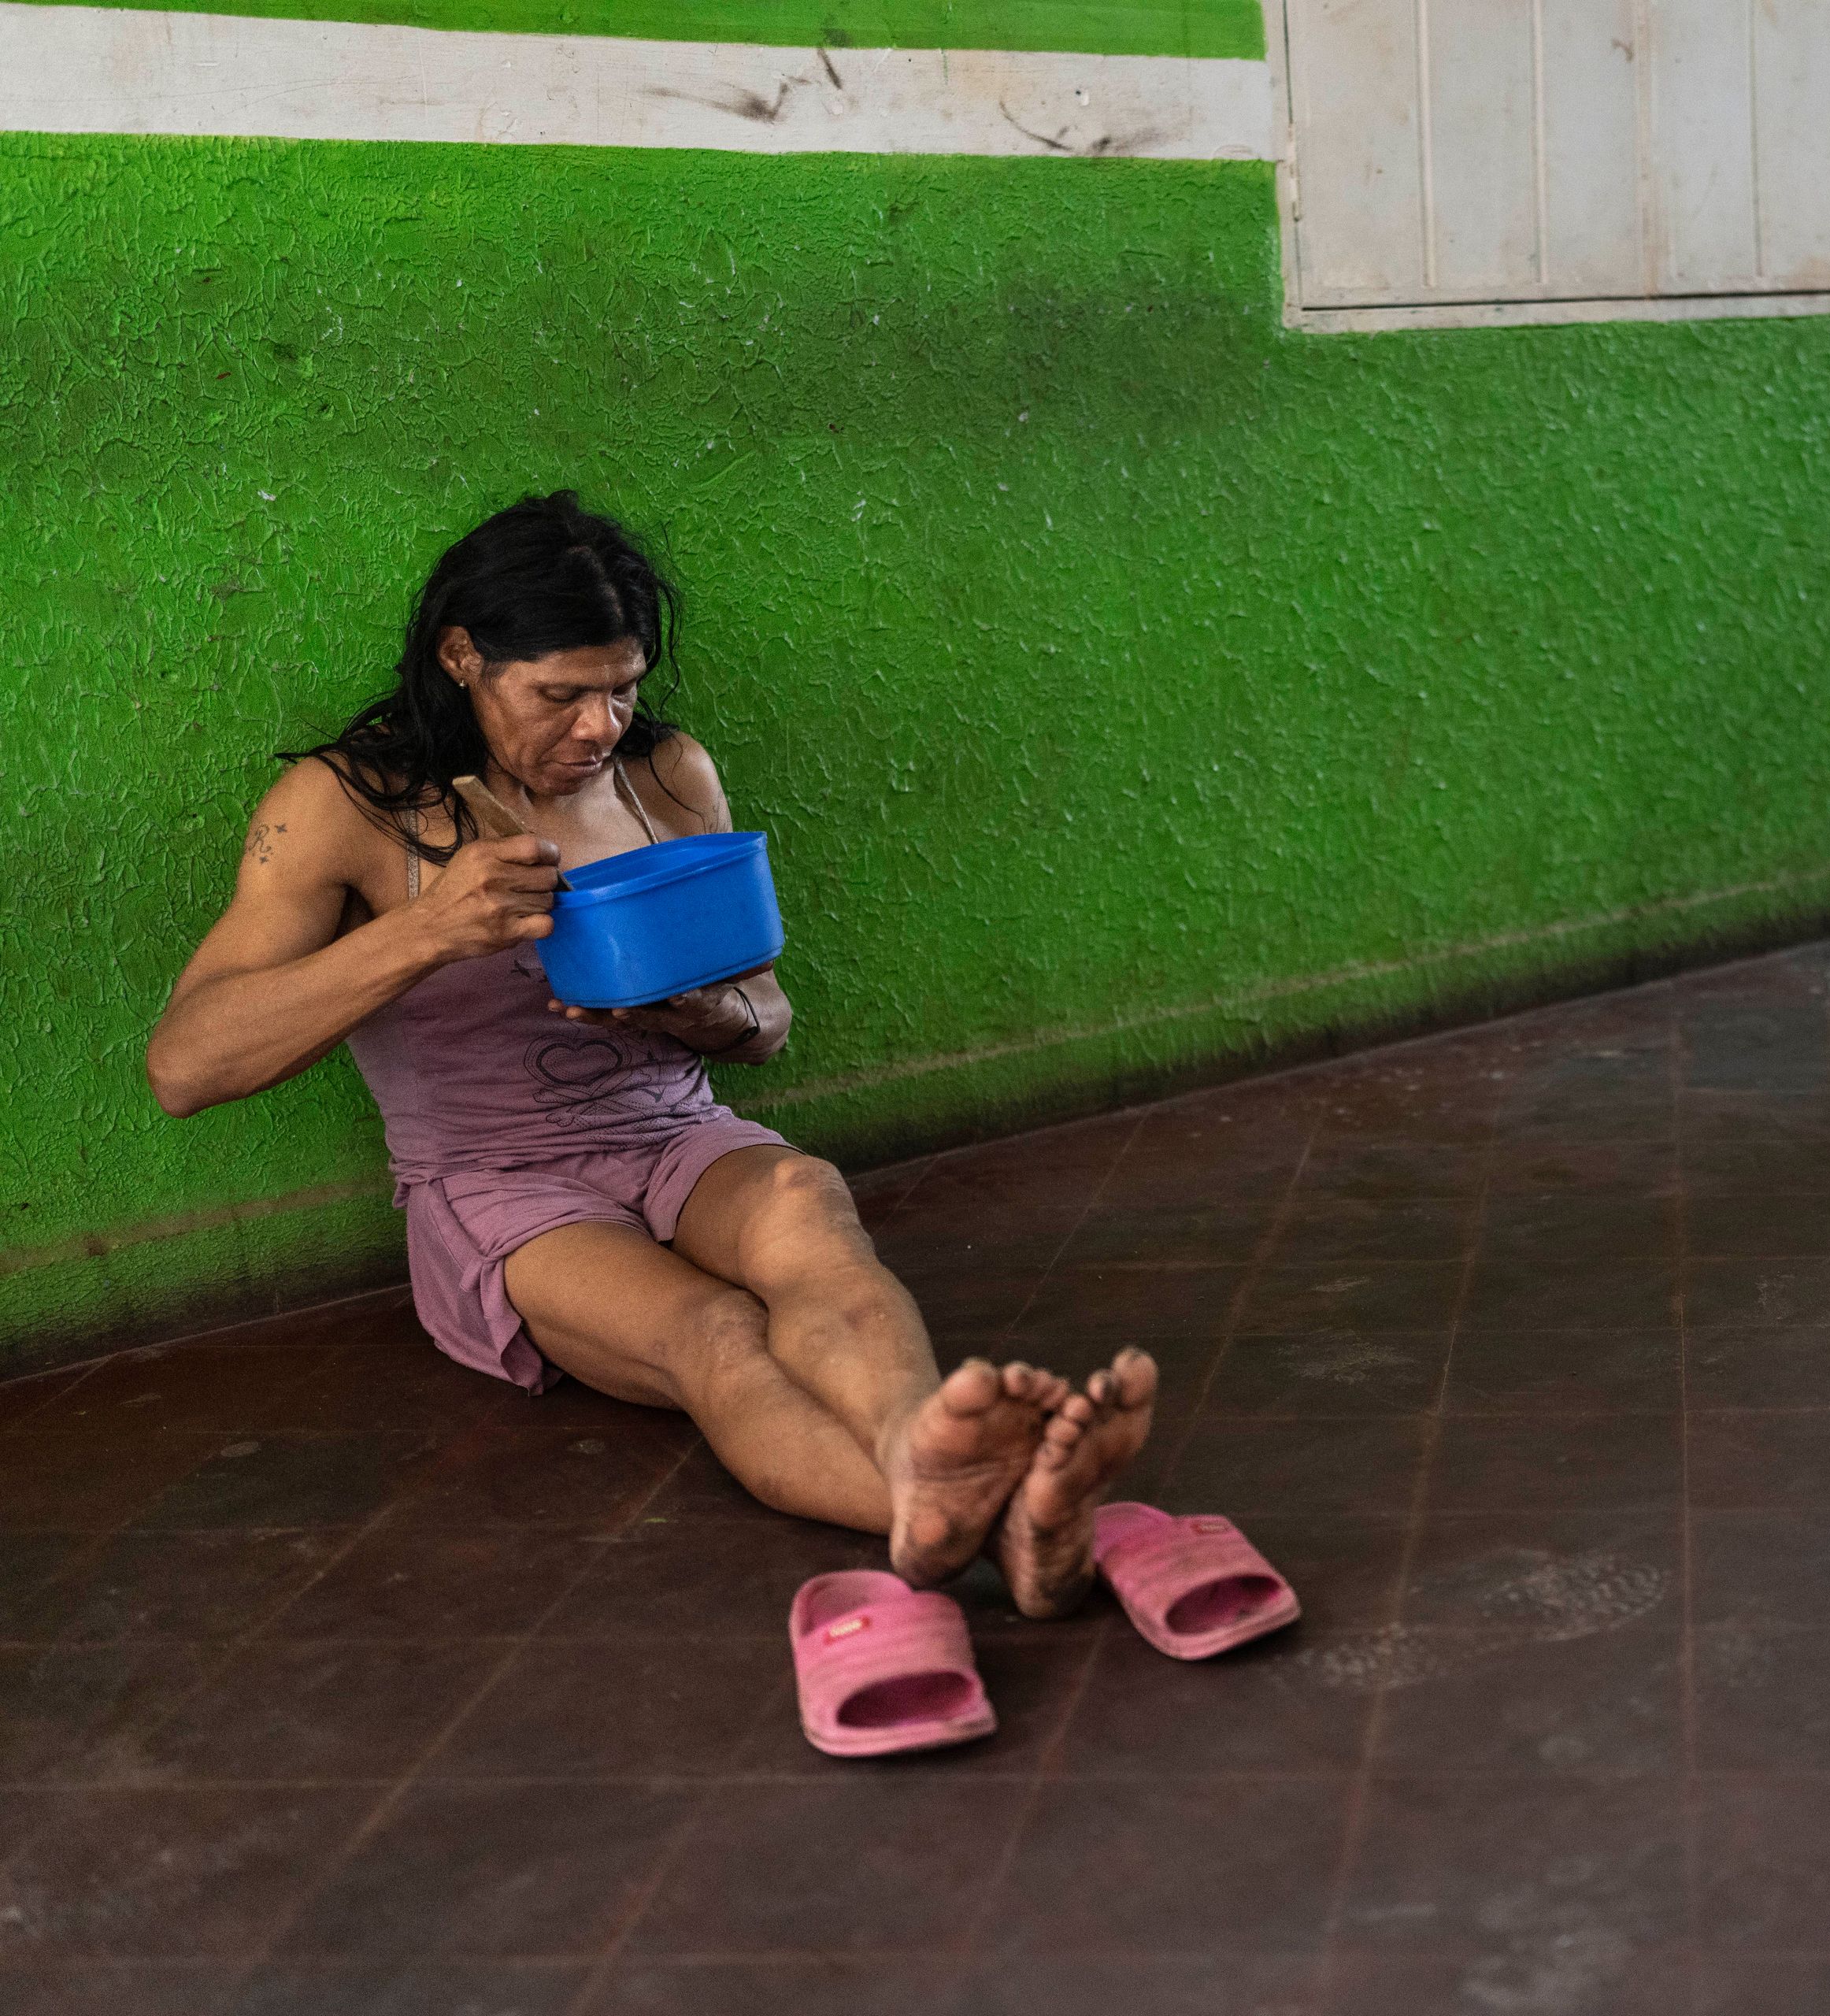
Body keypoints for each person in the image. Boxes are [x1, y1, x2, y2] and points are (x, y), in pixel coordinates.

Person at [143, 493, 1150, 1609]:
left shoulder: (667, 778)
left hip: (675, 1132)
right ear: (464, 656)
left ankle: (935, 1464)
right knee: (714, 1333)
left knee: (808, 1207)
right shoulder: (348, 807)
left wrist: (698, 1019)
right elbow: (187, 1067)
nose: (598, 728)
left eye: (621, 688)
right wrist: (425, 932)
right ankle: (1000, 1517)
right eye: (560, 694)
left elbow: (766, 1020)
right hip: (498, 1183)